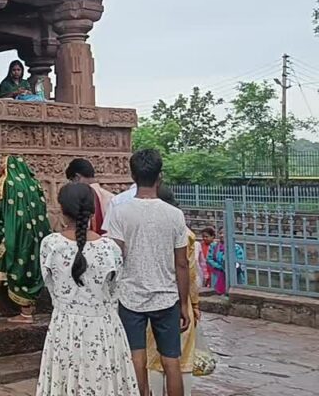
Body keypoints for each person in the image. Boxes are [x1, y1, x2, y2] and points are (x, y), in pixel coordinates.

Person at [36, 183, 139, 396]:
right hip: (104, 329)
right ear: (93, 210)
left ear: (62, 210)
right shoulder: (111, 248)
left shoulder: (51, 244)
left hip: (65, 328)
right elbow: (114, 290)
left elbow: (51, 287)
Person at [105, 149, 191, 396]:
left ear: (132, 175)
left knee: (136, 359)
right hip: (167, 297)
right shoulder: (175, 215)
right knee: (171, 362)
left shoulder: (120, 212)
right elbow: (182, 263)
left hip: (130, 297)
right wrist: (183, 304)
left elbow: (115, 257)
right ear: (159, 176)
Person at [0, 155, 51, 323]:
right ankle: (28, 310)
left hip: (16, 234)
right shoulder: (34, 184)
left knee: (18, 265)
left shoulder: (6, 183)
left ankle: (25, 314)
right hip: (36, 235)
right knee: (30, 265)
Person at [146, 186, 201, 396]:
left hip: (150, 296)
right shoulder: (186, 233)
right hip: (179, 299)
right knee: (182, 358)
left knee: (153, 357)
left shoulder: (148, 228)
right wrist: (193, 303)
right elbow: (190, 272)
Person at [65, 158, 114, 234]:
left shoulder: (77, 198)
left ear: (77, 177)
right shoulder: (112, 198)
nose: (72, 184)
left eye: (71, 180)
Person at [206, 229, 245, 295]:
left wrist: (230, 267)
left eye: (224, 233)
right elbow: (209, 259)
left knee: (233, 293)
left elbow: (240, 261)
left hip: (233, 275)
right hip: (217, 274)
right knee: (217, 294)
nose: (222, 235)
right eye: (220, 233)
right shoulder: (214, 246)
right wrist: (220, 267)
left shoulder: (236, 247)